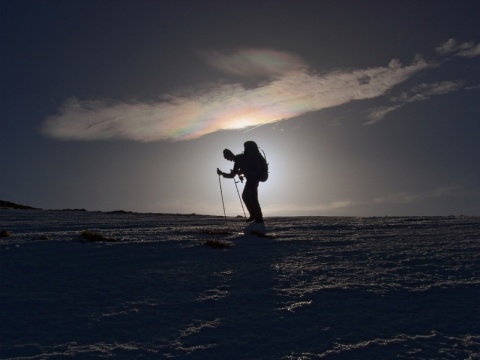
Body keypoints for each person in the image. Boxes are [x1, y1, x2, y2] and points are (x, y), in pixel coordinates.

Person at [217, 141, 264, 224]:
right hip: (253, 179)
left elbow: (234, 174)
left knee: (248, 197)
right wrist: (238, 173)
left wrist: (223, 173)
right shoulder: (239, 159)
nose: (228, 160)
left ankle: (257, 217)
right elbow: (235, 174)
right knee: (251, 197)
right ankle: (256, 217)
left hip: (252, 179)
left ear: (229, 155)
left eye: (227, 158)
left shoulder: (239, 159)